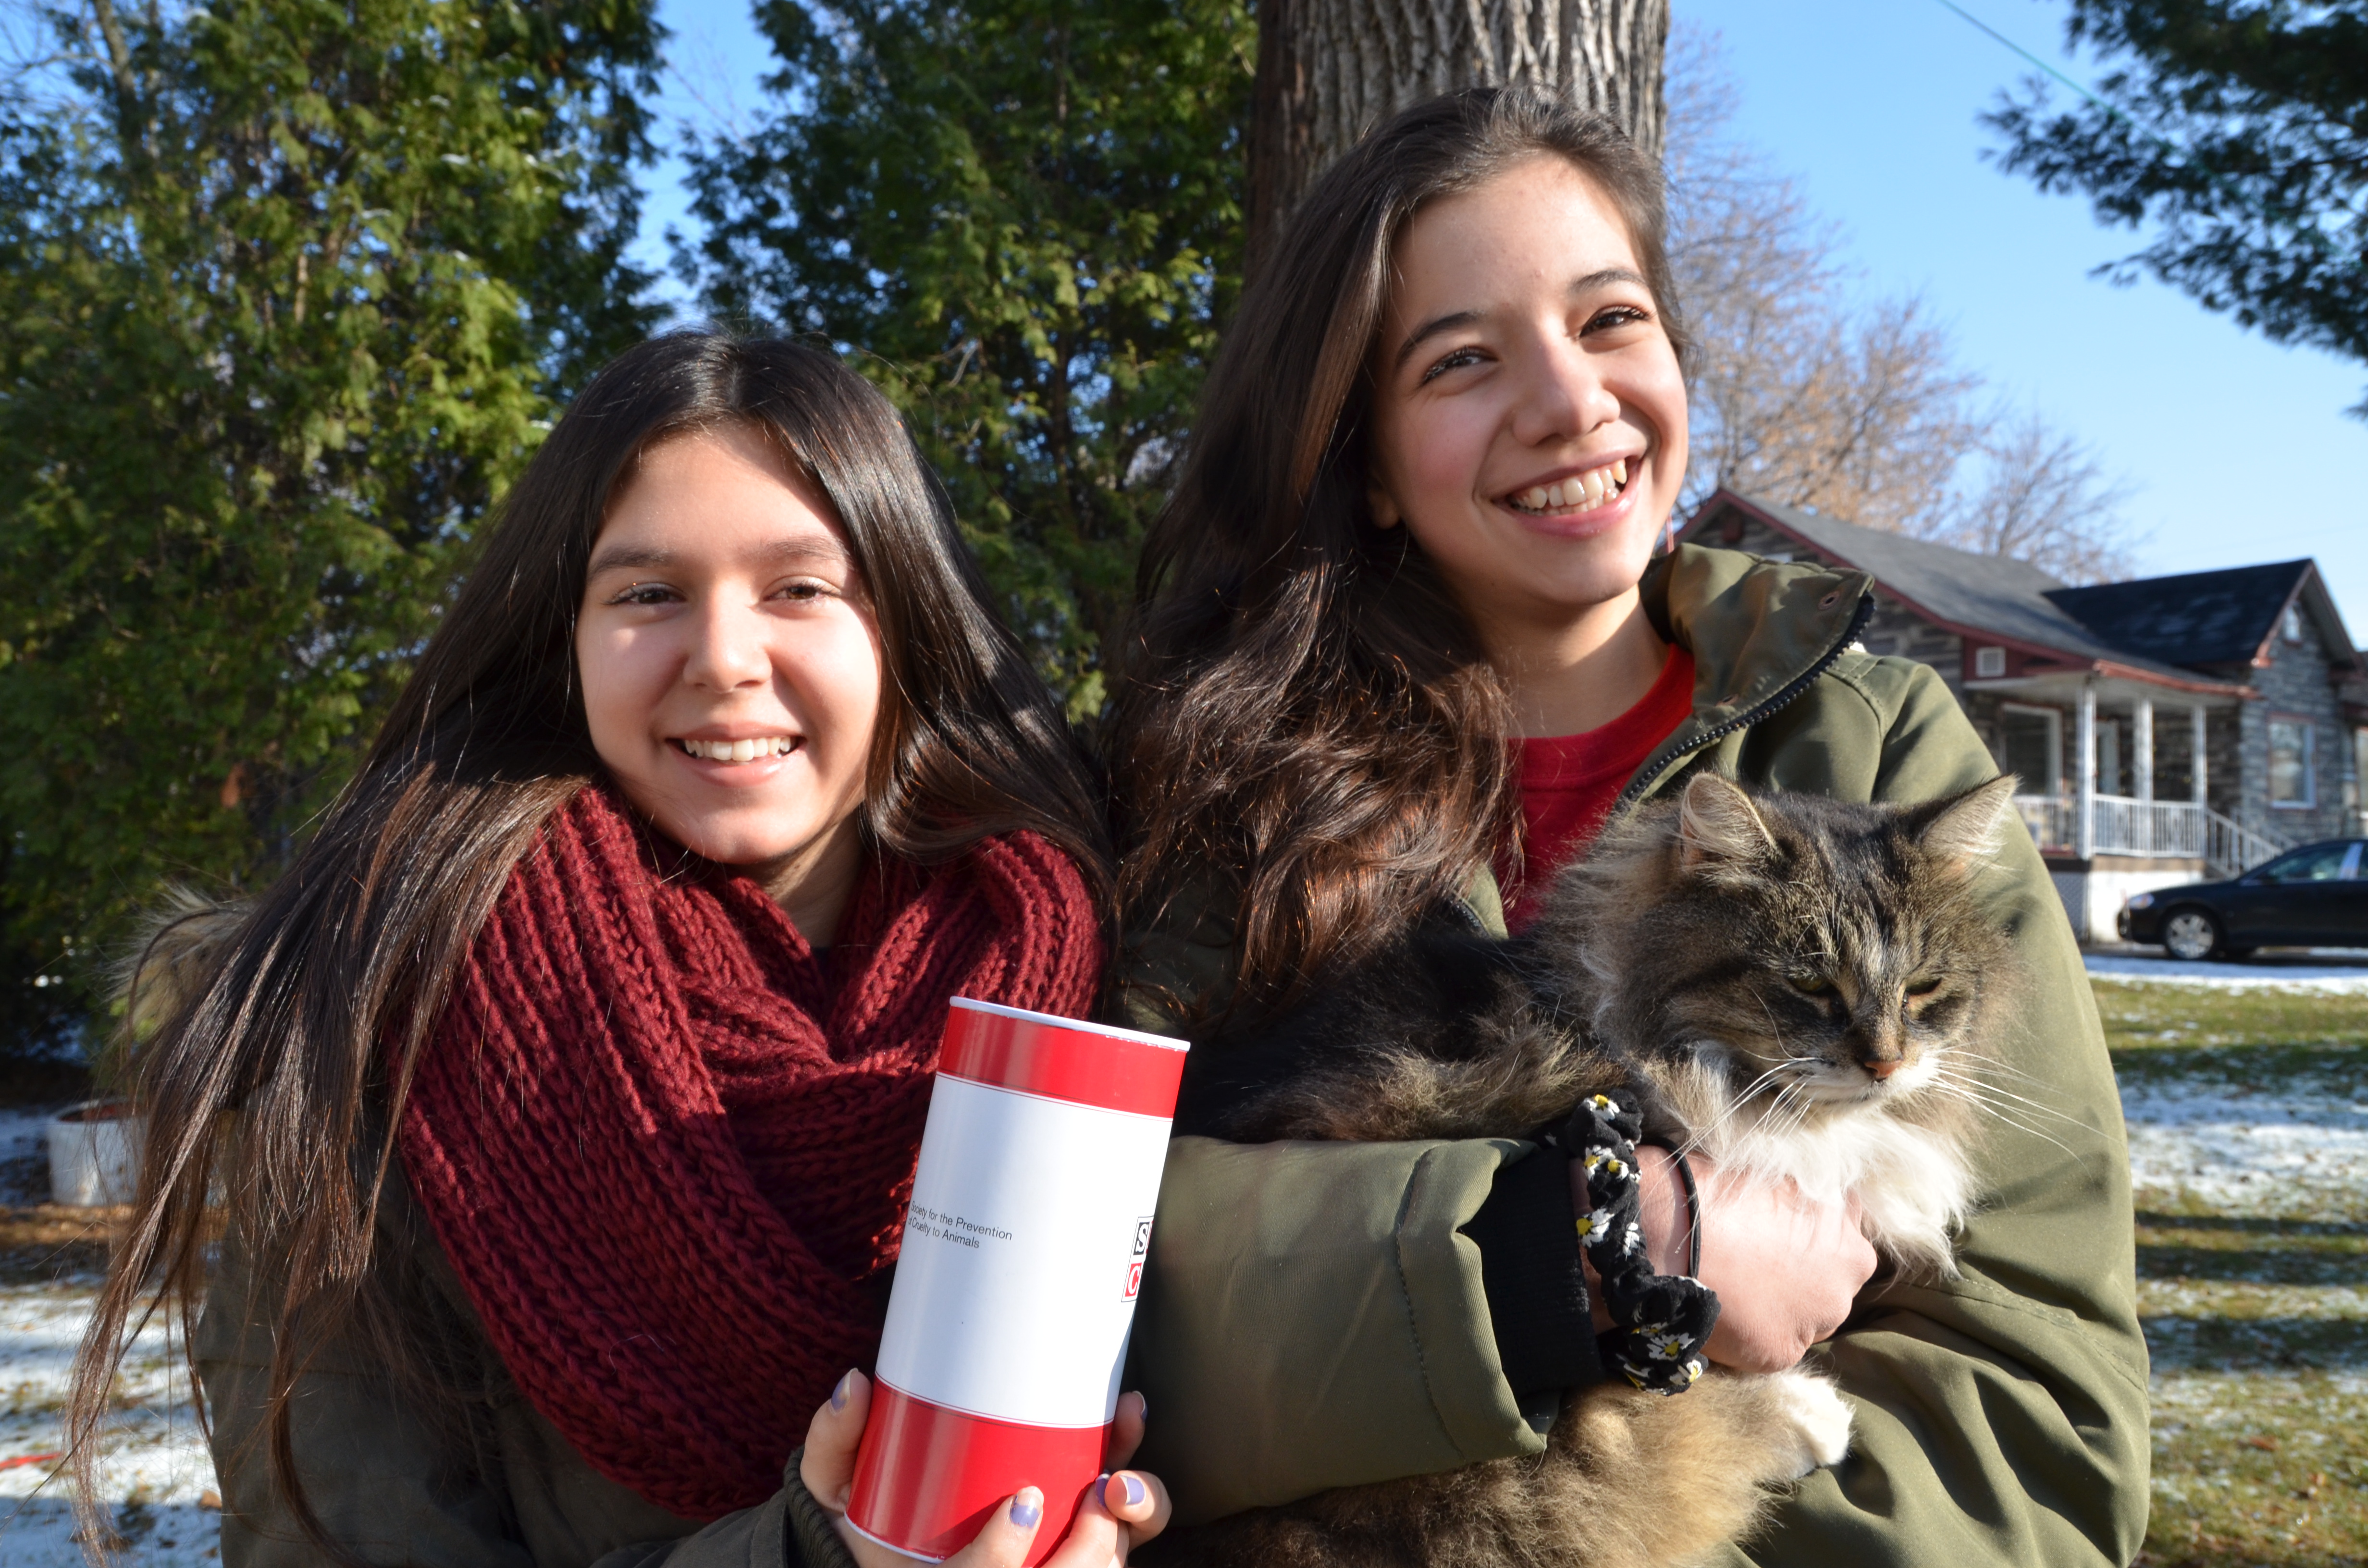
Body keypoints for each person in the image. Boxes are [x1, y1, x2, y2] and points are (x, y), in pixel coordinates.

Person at [1107, 89, 2149, 1564]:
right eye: (1463, 360)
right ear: (1367, 463)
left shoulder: (1884, 745)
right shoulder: (1217, 788)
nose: (1568, 400)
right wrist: (1588, 1260)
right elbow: (1086, 1302)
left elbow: (2034, 1415)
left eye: (1610, 322)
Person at [71, 334, 1172, 1568]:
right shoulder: (368, 1030)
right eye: (647, 594)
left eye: (800, 587)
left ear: (903, 624)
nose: (723, 657)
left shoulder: (1119, 970)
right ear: (567, 640)